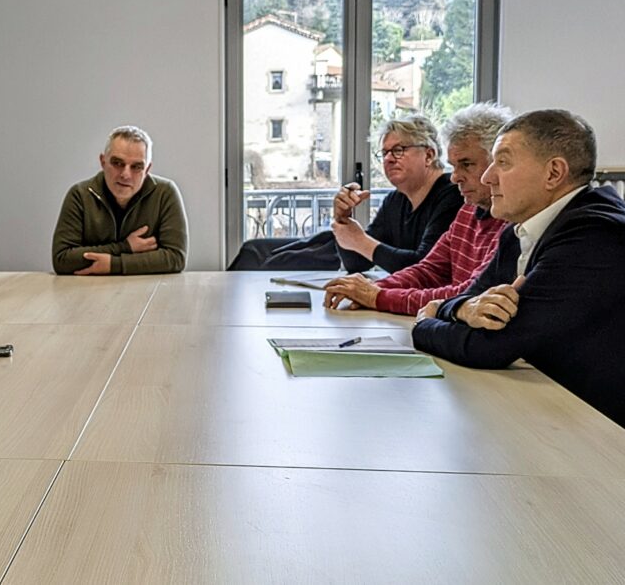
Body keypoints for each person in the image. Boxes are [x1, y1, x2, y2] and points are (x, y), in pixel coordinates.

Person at [412, 109, 625, 426]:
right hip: (556, 413)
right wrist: (462, 310)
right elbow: (472, 298)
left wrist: (424, 325)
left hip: (601, 435)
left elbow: (494, 346)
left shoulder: (595, 236)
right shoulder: (519, 230)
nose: (488, 177)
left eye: (503, 162)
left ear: (553, 173)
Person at [324, 103, 512, 314]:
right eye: (384, 152)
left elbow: (469, 295)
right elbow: (428, 270)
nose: (455, 176)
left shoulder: (507, 221)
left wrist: (377, 295)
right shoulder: (467, 211)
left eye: (466, 164)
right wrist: (371, 289)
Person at [229, 115, 462, 273]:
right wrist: (343, 220)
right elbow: (357, 263)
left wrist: (360, 240)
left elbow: (425, 267)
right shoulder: (396, 200)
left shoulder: (452, 195)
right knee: (254, 251)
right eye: (385, 153)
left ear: (429, 155)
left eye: (399, 150)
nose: (389, 158)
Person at [52, 125, 188, 275]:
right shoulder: (80, 195)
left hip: (147, 291)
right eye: (117, 163)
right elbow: (62, 259)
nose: (125, 174)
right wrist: (125, 247)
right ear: (103, 162)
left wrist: (114, 264)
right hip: (87, 291)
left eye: (136, 167)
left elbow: (175, 258)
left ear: (147, 170)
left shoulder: (165, 193)